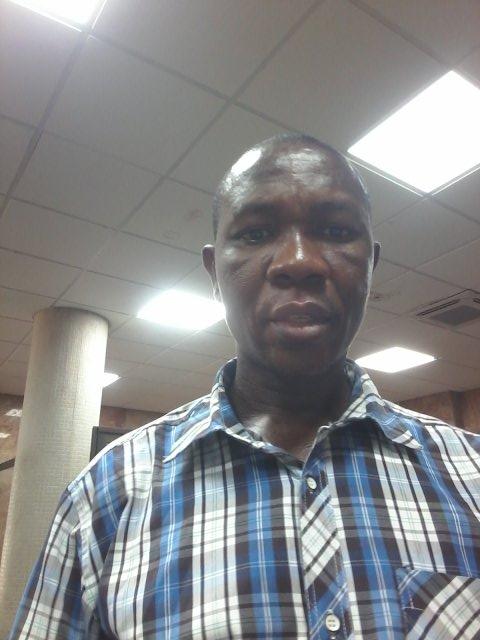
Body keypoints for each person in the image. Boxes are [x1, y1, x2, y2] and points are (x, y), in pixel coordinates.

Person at [9, 134, 480, 639]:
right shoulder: (107, 493)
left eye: (336, 231)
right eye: (256, 233)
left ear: (370, 263)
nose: (299, 261)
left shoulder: (469, 475)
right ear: (215, 272)